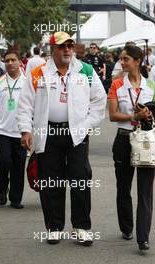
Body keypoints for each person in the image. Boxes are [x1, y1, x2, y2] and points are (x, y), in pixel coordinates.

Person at [17, 31, 107, 245]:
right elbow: (24, 104)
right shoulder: (38, 72)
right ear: (53, 50)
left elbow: (99, 101)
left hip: (76, 133)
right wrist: (25, 130)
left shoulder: (85, 70)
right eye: (62, 46)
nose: (67, 49)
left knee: (80, 179)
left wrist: (86, 125)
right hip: (47, 133)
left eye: (70, 45)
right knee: (51, 180)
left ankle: (82, 227)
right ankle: (54, 226)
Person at [108, 46, 155, 251]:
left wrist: (148, 115)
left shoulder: (151, 85)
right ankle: (127, 227)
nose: (122, 62)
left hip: (146, 141)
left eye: (126, 59)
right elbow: (112, 115)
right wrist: (133, 117)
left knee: (145, 190)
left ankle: (142, 237)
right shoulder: (117, 84)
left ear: (137, 61)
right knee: (124, 187)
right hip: (124, 140)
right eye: (121, 59)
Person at [0, 49, 27, 209]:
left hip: (21, 131)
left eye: (13, 60)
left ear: (19, 62)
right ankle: (2, 188)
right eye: (7, 60)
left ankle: (16, 199)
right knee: (4, 162)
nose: (10, 63)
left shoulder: (28, 82)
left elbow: (35, 107)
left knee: (18, 165)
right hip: (1, 131)